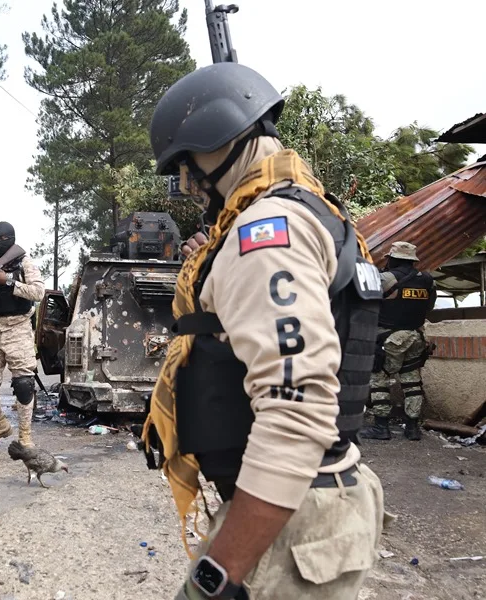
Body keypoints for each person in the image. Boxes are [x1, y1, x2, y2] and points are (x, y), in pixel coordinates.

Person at [141, 62, 385, 600]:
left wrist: (219, 575)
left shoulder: (266, 230)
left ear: (218, 139)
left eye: (186, 166)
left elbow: (295, 412)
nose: (189, 186)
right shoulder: (315, 211)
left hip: (290, 515)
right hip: (307, 497)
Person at [0, 222, 45, 448]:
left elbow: (38, 292)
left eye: (4, 238)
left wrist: (9, 281)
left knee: (23, 384)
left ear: (12, 238)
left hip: (18, 327)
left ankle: (25, 436)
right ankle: (0, 424)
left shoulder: (25, 262)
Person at [360, 241, 436, 441]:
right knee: (412, 382)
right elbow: (429, 307)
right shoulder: (428, 280)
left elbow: (363, 301)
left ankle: (381, 427)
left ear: (393, 259)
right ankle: (412, 428)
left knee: (379, 379)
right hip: (416, 337)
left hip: (389, 338)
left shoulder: (385, 278)